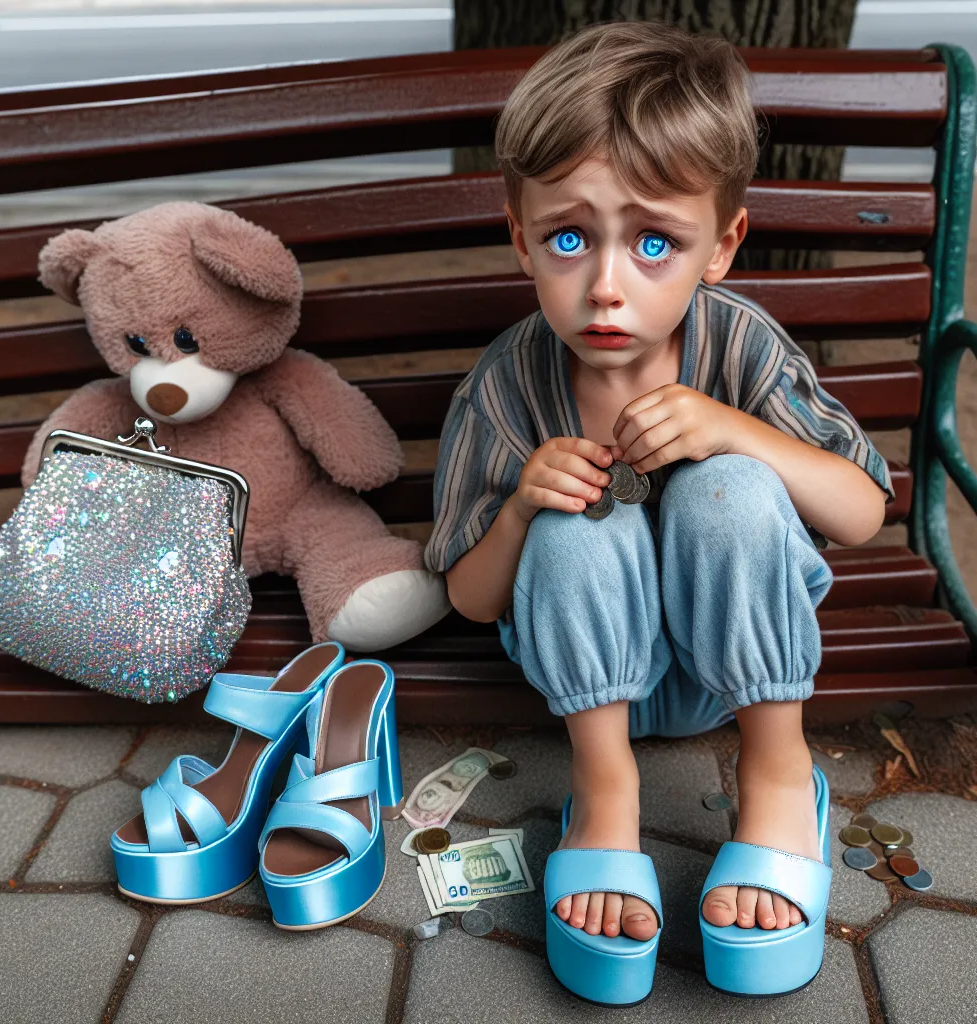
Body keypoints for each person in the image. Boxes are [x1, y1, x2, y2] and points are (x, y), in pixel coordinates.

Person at [423, 19, 892, 1000]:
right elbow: (469, 598)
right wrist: (519, 509)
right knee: (572, 514)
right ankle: (604, 795)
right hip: (589, 685)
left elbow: (855, 511)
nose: (604, 284)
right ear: (520, 237)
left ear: (719, 245)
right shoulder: (509, 385)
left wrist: (735, 429)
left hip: (738, 678)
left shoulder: (742, 348)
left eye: (651, 242)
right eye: (566, 236)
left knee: (730, 486)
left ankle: (772, 776)